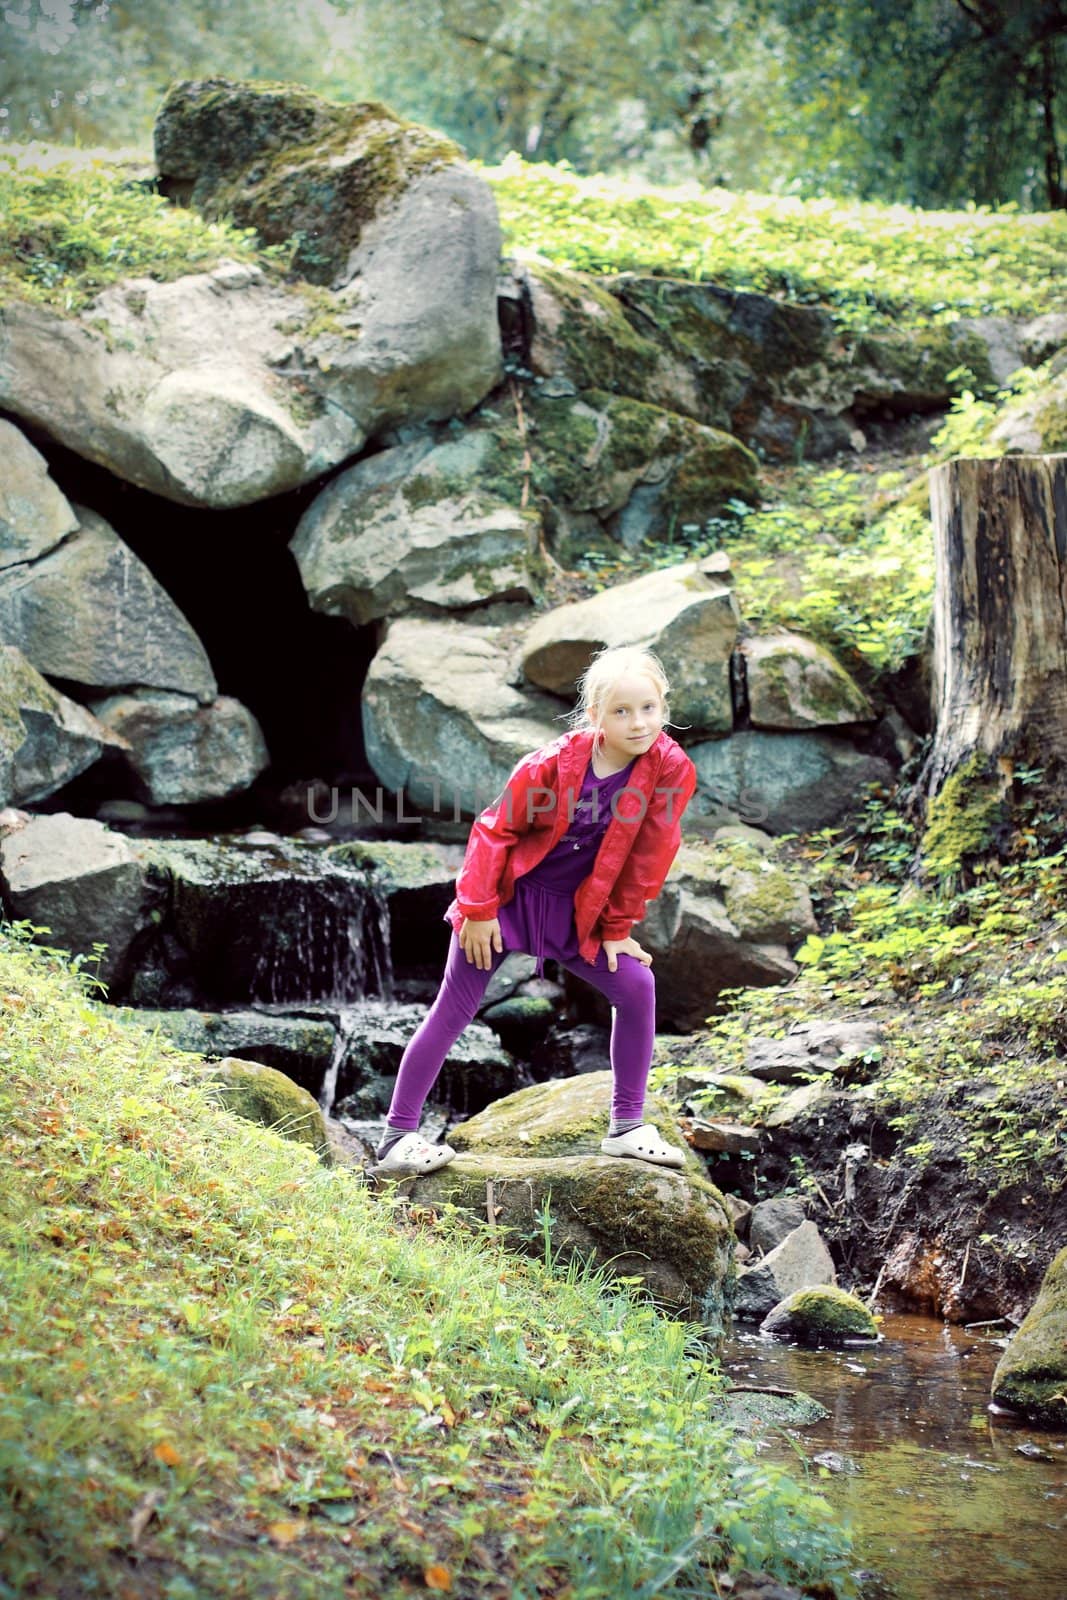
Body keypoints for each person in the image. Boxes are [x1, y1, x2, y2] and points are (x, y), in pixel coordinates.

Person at [372, 643, 698, 1176]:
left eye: (648, 708)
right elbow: (495, 831)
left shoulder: (669, 770)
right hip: (506, 903)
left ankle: (627, 1126)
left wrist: (616, 928)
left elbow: (649, 854)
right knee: (453, 1008)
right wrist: (476, 909)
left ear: (663, 707)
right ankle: (396, 1139)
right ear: (594, 716)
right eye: (621, 711)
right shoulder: (551, 765)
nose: (638, 723)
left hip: (578, 914)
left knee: (636, 987)